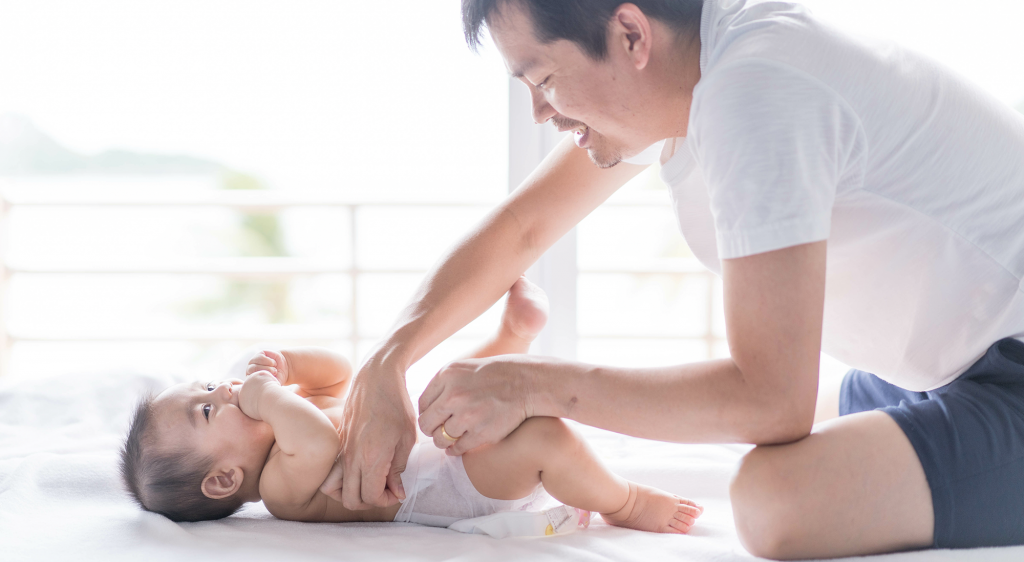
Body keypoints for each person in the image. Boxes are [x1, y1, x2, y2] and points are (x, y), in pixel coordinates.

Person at [324, 0, 1024, 559]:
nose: (542, 111)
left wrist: (529, 383)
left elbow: (769, 399)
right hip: (953, 365)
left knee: (775, 498)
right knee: (800, 427)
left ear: (630, 32)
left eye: (543, 80)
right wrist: (389, 360)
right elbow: (522, 230)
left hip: (1008, 370)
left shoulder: (756, 87)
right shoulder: (692, 69)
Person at [118, 278, 703, 534]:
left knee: (440, 387)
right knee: (546, 438)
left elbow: (345, 376)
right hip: (450, 488)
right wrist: (267, 393)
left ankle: (509, 343)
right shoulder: (280, 488)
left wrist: (290, 366)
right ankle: (626, 502)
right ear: (224, 479)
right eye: (205, 412)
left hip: (436, 444)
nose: (220, 391)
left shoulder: (286, 423)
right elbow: (320, 441)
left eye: (204, 386)